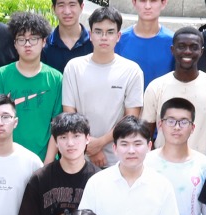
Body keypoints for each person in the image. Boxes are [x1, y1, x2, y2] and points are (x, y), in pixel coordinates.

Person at [60, 6, 143, 168]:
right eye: (98, 31)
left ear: (118, 36)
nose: (104, 37)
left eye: (110, 32)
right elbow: (69, 112)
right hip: (79, 157)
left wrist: (100, 143)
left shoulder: (132, 71)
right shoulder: (74, 67)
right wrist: (90, 146)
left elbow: (131, 117)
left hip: (118, 158)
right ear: (90, 35)